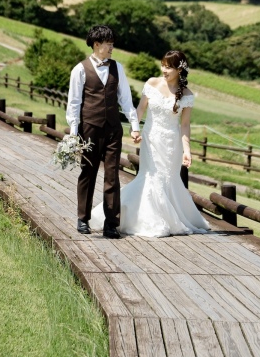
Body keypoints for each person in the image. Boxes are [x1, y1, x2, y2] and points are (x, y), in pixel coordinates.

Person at [90, 49, 210, 237]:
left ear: (179, 70)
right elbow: (140, 109)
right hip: (151, 139)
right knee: (150, 176)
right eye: (163, 65)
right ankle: (145, 218)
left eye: (169, 67)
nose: (164, 70)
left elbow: (185, 126)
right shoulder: (152, 83)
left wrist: (187, 150)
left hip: (171, 144)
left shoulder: (187, 94)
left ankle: (171, 218)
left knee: (168, 180)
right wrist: (134, 128)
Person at [66, 25, 141, 238]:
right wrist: (74, 133)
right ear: (97, 45)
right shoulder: (79, 69)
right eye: (109, 44)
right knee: (87, 173)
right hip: (89, 129)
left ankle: (111, 223)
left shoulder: (118, 68)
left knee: (112, 176)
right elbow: (74, 103)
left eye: (112, 44)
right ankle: (83, 218)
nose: (112, 48)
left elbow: (126, 99)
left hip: (113, 130)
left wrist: (134, 126)